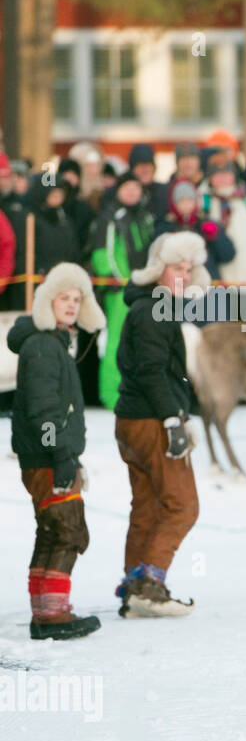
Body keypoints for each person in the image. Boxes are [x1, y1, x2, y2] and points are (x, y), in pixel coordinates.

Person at [114, 232, 207, 617]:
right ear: (157, 269)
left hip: (132, 420)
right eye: (175, 267)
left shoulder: (152, 306)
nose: (183, 275)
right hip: (151, 418)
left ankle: (136, 586)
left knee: (148, 504)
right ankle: (150, 585)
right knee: (182, 505)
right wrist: (173, 419)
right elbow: (152, 371)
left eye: (189, 269)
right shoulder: (155, 307)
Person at [10, 264, 105, 639]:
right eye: (64, 298)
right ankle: (52, 615)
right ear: (48, 301)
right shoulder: (42, 347)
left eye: (77, 299)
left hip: (47, 456)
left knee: (52, 531)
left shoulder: (54, 342)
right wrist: (60, 456)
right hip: (48, 457)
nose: (70, 305)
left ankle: (46, 611)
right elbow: (44, 412)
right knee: (68, 531)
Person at [90, 173, 157, 408]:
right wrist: (119, 281)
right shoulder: (110, 217)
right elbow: (102, 254)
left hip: (146, 290)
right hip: (120, 292)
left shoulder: (146, 216)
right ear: (118, 190)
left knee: (144, 342)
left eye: (136, 187)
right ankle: (112, 394)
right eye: (127, 187)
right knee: (117, 342)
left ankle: (139, 391)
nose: (131, 192)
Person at [200, 159, 246, 285]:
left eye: (227, 174)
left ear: (234, 176)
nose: (222, 178)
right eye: (217, 174)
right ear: (210, 178)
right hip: (216, 279)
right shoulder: (204, 202)